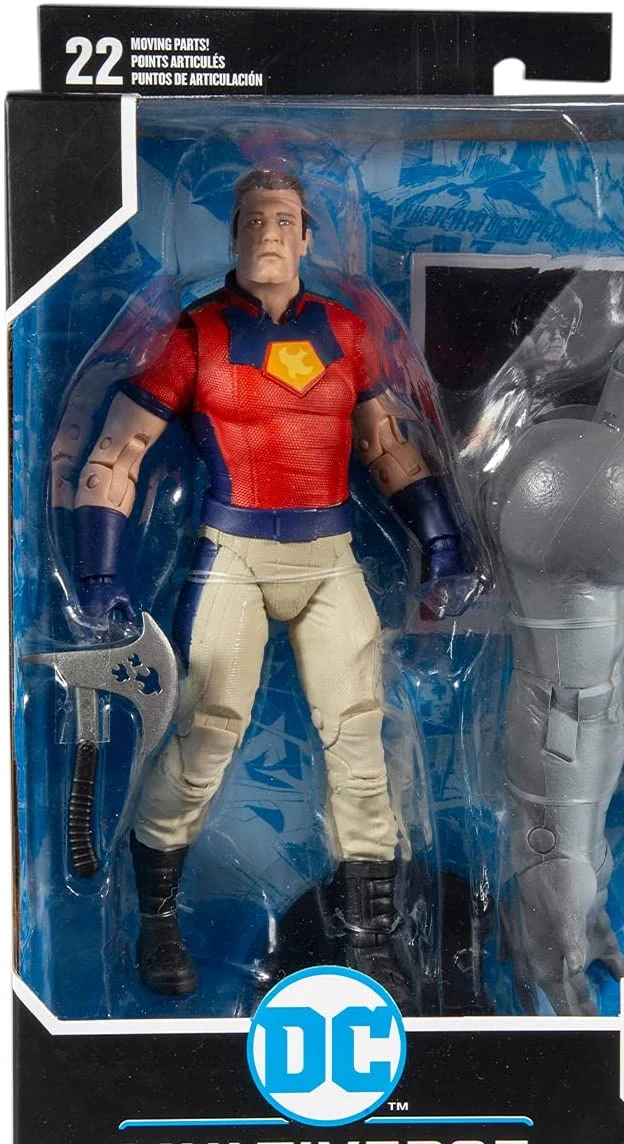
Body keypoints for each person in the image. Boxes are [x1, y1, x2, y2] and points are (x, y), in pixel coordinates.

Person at [71, 168, 467, 1006]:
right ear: (234, 234)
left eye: (284, 220)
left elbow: (388, 447)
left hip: (329, 555)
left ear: (308, 236)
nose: (268, 235)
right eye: (253, 220)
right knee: (206, 736)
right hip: (235, 555)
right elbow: (118, 451)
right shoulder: (195, 336)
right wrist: (100, 574)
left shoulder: (348, 332)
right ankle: (156, 918)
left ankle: (371, 941)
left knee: (360, 747)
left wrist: (439, 535)